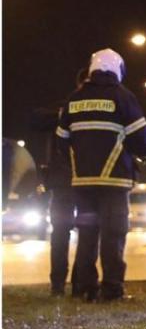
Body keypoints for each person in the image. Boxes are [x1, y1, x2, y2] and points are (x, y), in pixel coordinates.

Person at [55, 49, 146, 302]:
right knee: (113, 234)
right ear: (117, 70)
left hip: (83, 185)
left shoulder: (73, 99)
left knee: (87, 234)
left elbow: (61, 140)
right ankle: (112, 290)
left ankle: (86, 288)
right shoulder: (123, 97)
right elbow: (141, 137)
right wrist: (145, 155)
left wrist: (79, 165)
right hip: (115, 182)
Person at [40, 69, 91, 296]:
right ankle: (58, 284)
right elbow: (36, 118)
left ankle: (78, 283)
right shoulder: (68, 105)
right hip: (65, 181)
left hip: (85, 181)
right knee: (61, 231)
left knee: (86, 231)